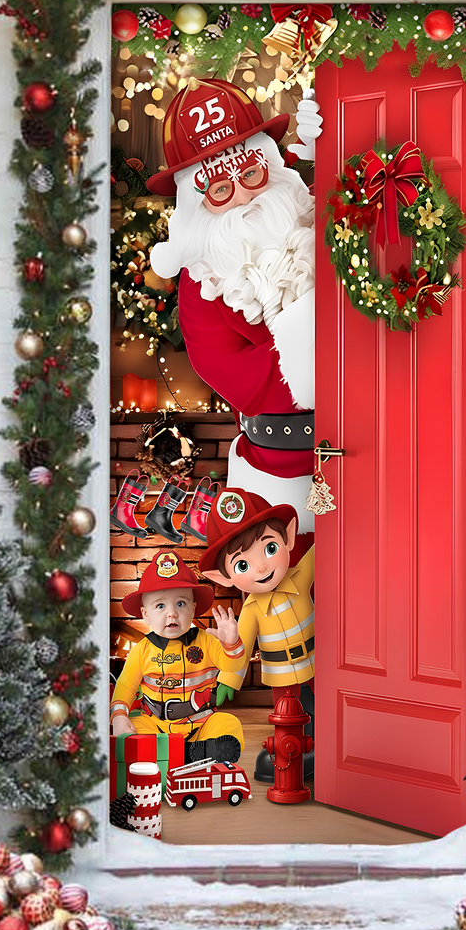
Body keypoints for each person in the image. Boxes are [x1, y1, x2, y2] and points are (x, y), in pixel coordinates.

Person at [146, 78, 320, 562]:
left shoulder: (313, 213)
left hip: (374, 440)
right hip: (280, 469)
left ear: (270, 164)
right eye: (221, 189)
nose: (243, 196)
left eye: (251, 175)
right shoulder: (200, 280)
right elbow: (230, 373)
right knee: (290, 592)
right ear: (197, 201)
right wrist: (320, 337)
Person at [197, 488, 315, 782]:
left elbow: (323, 549)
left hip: (318, 660)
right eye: (242, 565)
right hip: (281, 674)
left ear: (288, 537)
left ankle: (324, 744)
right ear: (224, 578)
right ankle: (290, 752)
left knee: (326, 704)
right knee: (286, 715)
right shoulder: (250, 611)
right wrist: (228, 678)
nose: (262, 567)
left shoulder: (300, 577)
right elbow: (242, 646)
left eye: (270, 548)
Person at [110, 548, 245, 764]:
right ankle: (186, 754)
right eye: (160, 605)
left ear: (193, 608)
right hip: (156, 724)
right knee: (133, 729)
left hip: (201, 723)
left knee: (229, 724)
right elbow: (125, 686)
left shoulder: (208, 641)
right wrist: (119, 716)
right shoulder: (141, 650)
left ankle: (177, 754)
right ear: (146, 614)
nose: (172, 613)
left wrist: (231, 643)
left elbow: (233, 665)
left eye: (180, 604)